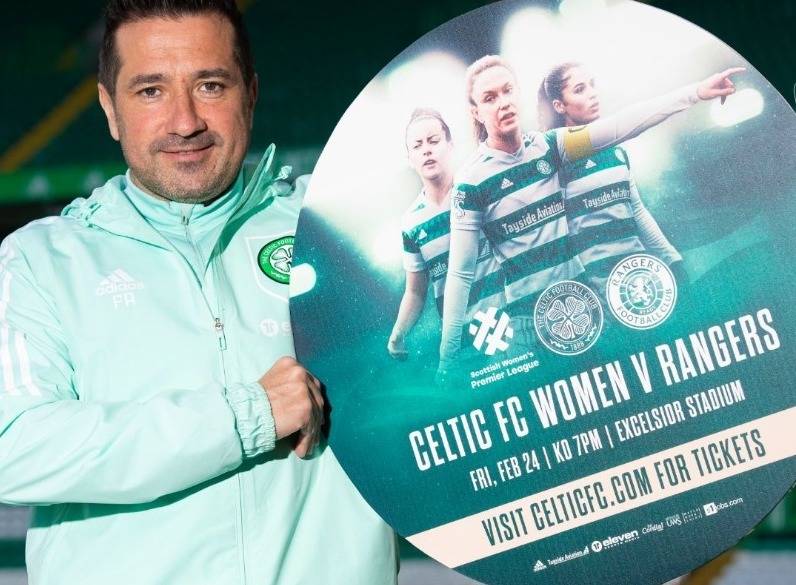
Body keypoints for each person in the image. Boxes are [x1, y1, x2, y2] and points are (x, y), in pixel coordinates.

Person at [0, 1, 396, 583]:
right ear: (110, 109)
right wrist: (248, 415)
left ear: (250, 93)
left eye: (210, 86)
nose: (185, 121)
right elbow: (13, 449)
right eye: (151, 91)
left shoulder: (335, 226)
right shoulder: (41, 260)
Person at [439, 55, 743, 370]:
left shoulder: (550, 147)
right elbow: (461, 274)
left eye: (507, 91)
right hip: (531, 327)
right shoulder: (470, 183)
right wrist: (447, 359)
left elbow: (620, 127)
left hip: (588, 311)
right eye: (490, 98)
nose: (503, 102)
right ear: (476, 112)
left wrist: (696, 92)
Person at [537, 61, 686, 296]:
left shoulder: (616, 151)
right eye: (580, 89)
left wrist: (671, 259)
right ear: (559, 105)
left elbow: (636, 210)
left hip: (639, 280)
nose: (592, 94)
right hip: (594, 291)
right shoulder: (552, 160)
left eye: (592, 85)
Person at [388, 108, 503, 360]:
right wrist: (398, 332)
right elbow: (415, 291)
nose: (426, 150)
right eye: (417, 145)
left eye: (433, 141)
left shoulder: (477, 189)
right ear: (410, 158)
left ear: (450, 146)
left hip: (507, 325)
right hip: (459, 345)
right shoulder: (411, 222)